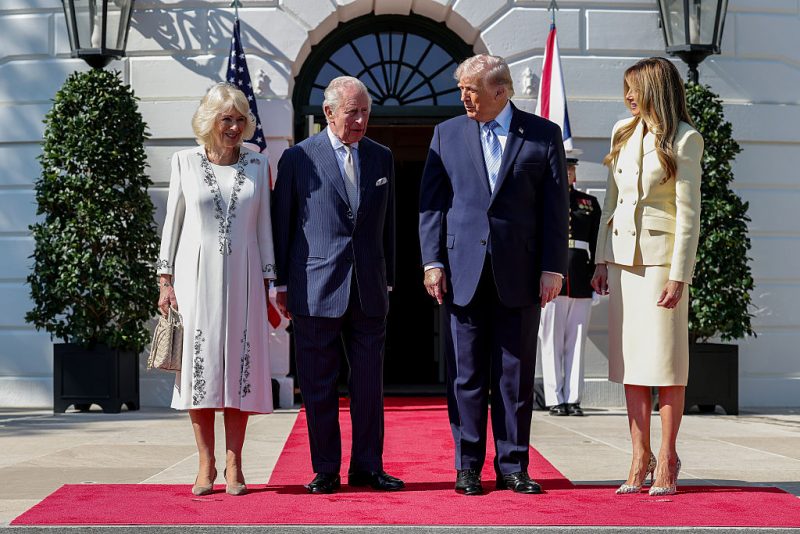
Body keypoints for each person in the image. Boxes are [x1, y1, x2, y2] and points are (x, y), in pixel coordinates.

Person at [419, 54, 569, 496]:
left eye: (471, 89)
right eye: (461, 89)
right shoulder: (445, 134)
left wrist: (553, 268)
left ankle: (513, 465)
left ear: (500, 90)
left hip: (521, 273)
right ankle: (467, 466)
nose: (463, 97)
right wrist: (432, 262)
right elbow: (432, 206)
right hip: (461, 272)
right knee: (466, 375)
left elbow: (555, 209)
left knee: (515, 375)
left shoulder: (543, 135)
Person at [272, 76, 403, 495]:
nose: (361, 120)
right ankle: (325, 468)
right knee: (319, 384)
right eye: (353, 112)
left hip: (368, 288)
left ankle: (368, 467)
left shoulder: (382, 157)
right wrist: (281, 284)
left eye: (366, 111)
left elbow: (390, 225)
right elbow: (283, 225)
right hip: (313, 287)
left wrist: (391, 279)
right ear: (329, 113)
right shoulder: (298, 159)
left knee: (368, 386)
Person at [156, 82, 276, 496]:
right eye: (227, 118)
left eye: (241, 119)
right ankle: (205, 462)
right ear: (210, 121)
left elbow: (265, 229)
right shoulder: (184, 162)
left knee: (239, 369)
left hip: (243, 279)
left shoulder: (259, 165)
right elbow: (172, 223)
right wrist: (165, 280)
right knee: (201, 368)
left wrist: (269, 285)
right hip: (194, 278)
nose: (235, 126)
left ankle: (235, 463)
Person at [591, 57, 703, 496]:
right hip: (623, 260)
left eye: (635, 88)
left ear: (656, 88)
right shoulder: (622, 131)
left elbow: (690, 214)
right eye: (626, 89)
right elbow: (610, 202)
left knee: (667, 363)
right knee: (630, 362)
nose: (628, 96)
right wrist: (602, 260)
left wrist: (680, 275)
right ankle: (639, 457)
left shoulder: (686, 138)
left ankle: (668, 456)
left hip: (661, 262)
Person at [539, 155, 601, 417]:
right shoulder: (541, 201)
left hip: (580, 278)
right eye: (564, 170)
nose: (568, 175)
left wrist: (598, 275)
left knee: (576, 342)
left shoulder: (588, 203)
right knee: (551, 340)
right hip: (552, 280)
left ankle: (573, 398)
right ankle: (554, 398)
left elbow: (598, 242)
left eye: (571, 170)